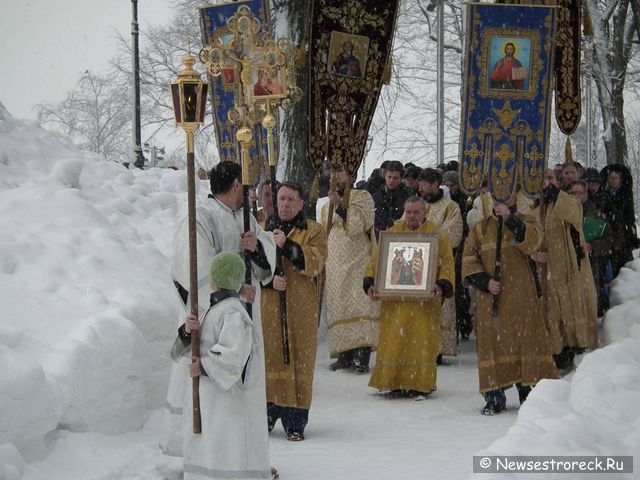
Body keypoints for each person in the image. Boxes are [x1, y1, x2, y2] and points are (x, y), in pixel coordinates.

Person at [160, 161, 277, 458]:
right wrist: (234, 291)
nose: (247, 194)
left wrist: (257, 248)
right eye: (244, 187)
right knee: (214, 389)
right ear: (237, 184)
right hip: (212, 317)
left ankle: (245, 457)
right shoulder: (202, 217)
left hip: (245, 313)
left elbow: (265, 257)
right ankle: (210, 457)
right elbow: (193, 265)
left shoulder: (247, 217)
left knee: (244, 384)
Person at [171, 252, 271, 480]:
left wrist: (204, 367)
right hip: (209, 403)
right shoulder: (212, 311)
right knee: (210, 451)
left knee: (224, 454)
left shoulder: (234, 315)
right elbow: (179, 352)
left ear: (216, 279)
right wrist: (188, 331)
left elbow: (232, 355)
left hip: (226, 403)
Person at [462, 192, 558, 415]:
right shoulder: (480, 228)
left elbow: (532, 243)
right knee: (492, 346)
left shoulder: (527, 221)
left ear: (515, 199)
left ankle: (529, 393)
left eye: (505, 199)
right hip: (491, 299)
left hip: (522, 297)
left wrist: (510, 220)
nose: (500, 204)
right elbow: (468, 259)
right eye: (496, 200)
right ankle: (494, 396)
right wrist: (484, 281)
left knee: (525, 342)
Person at [364, 196, 455, 399]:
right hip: (395, 303)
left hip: (424, 304)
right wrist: (370, 282)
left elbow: (447, 264)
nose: (412, 216)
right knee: (394, 341)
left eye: (416, 212)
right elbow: (377, 260)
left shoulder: (437, 235)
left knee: (421, 342)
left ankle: (419, 384)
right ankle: (393, 382)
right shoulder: (393, 234)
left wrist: (441, 284)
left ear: (425, 213)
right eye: (409, 212)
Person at [261, 182, 328, 441]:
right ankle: (267, 412)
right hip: (269, 306)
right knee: (271, 354)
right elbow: (253, 265)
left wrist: (287, 245)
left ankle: (295, 420)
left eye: (291, 199)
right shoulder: (264, 228)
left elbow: (315, 261)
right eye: (281, 199)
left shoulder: (313, 230)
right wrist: (269, 280)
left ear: (301, 203)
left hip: (300, 308)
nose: (285, 204)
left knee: (299, 357)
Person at [533, 169, 598, 372]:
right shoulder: (534, 211)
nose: (547, 182)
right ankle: (555, 354)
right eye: (543, 179)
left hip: (569, 269)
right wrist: (533, 253)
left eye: (551, 178)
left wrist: (551, 191)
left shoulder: (567, 202)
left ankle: (571, 352)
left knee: (569, 310)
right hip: (546, 271)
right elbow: (527, 238)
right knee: (551, 313)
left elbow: (574, 215)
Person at [321, 165, 380, 373]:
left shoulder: (362, 196)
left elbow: (358, 225)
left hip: (358, 259)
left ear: (351, 175)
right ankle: (344, 354)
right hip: (335, 262)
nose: (335, 175)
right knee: (339, 305)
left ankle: (361, 356)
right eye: (333, 171)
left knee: (359, 304)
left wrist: (339, 205)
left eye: (340, 171)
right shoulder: (324, 204)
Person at [418, 168, 463, 359]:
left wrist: (426, 238)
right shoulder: (418, 205)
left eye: (424, 183)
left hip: (439, 264)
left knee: (439, 305)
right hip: (418, 264)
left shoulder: (450, 206)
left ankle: (436, 349)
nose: (420, 187)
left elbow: (452, 235)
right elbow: (403, 225)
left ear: (435, 184)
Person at [567, 180, 613, 317]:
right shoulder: (559, 215)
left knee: (588, 305)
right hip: (566, 266)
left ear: (586, 195)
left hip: (590, 267)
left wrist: (593, 246)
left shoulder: (595, 216)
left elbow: (609, 239)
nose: (577, 196)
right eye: (573, 193)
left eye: (580, 193)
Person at [600, 164, 639, 278]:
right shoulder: (603, 194)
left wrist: (632, 235)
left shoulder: (625, 194)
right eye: (611, 178)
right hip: (607, 232)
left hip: (622, 233)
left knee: (623, 264)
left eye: (616, 178)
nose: (613, 181)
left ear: (620, 179)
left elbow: (630, 216)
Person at [371, 160, 410, 238]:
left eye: (395, 178)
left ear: (401, 178)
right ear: (385, 176)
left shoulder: (408, 198)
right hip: (378, 240)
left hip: (399, 240)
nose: (391, 180)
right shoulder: (375, 198)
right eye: (389, 177)